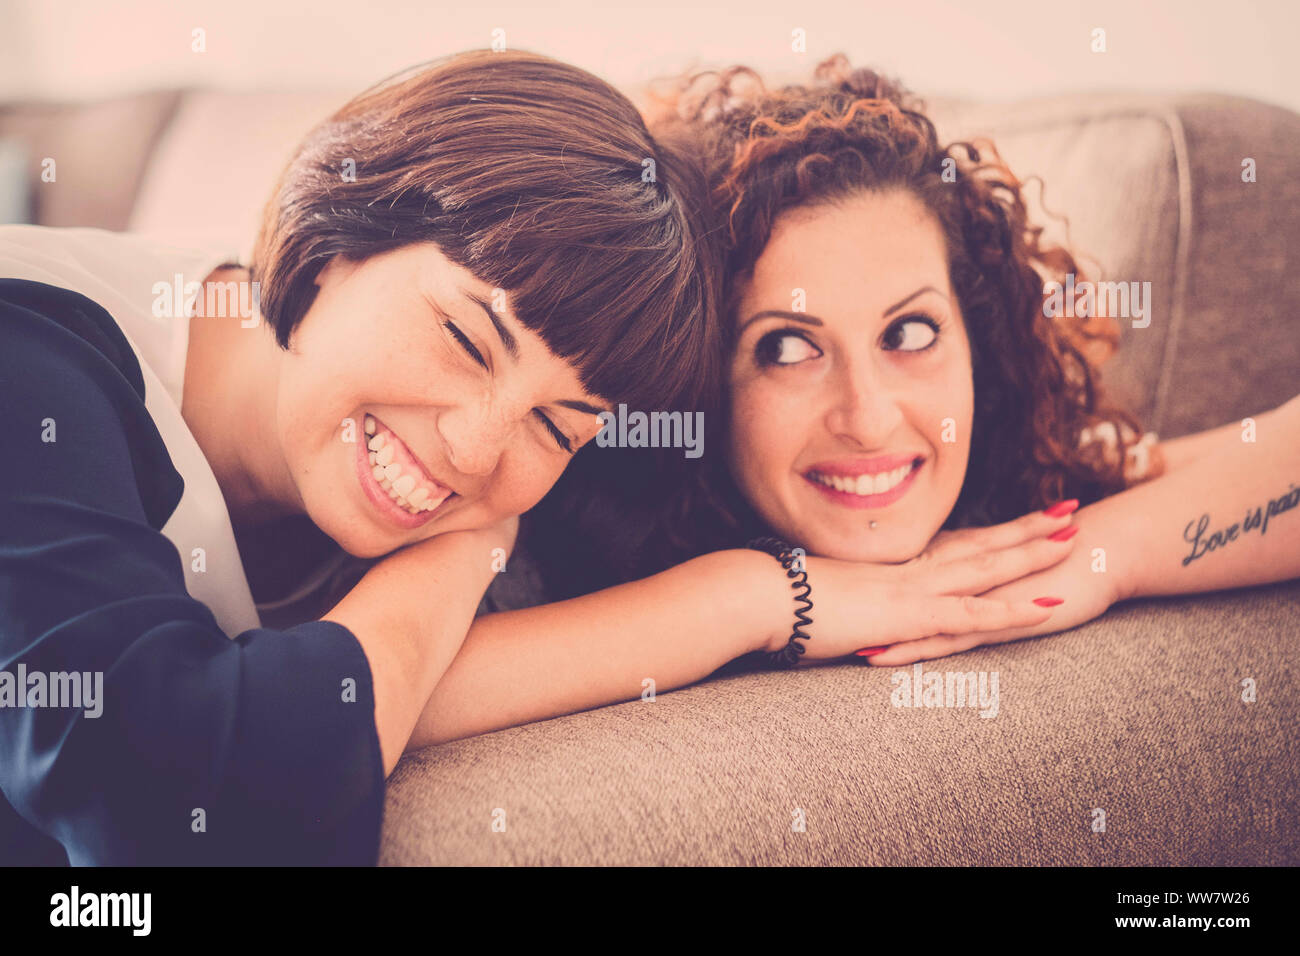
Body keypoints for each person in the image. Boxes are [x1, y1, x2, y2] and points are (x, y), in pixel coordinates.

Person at [401, 55, 1299, 748]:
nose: (869, 417)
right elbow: (366, 698)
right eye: (788, 349)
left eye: (909, 334)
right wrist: (752, 599)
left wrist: (1099, 554)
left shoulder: (1015, 479)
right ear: (698, 381)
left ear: (976, 342)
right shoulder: (544, 492)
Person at [0, 48, 721, 864]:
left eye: (557, 427)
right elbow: (172, 811)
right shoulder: (26, 359)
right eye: (466, 339)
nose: (477, 450)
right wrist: (460, 557)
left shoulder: (420, 487)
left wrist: (765, 596)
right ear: (338, 240)